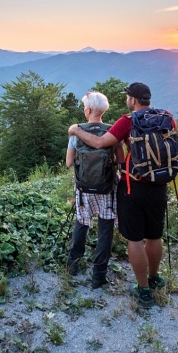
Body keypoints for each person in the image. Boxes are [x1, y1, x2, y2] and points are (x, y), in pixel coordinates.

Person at [68, 82, 171, 308]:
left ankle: (143, 290)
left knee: (134, 239)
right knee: (154, 236)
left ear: (133, 100)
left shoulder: (127, 121)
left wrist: (75, 130)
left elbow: (99, 142)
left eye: (127, 97)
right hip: (160, 184)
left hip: (132, 187)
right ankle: (154, 278)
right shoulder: (167, 117)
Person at [65, 91, 125, 289]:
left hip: (83, 189)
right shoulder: (112, 132)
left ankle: (73, 265)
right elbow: (120, 160)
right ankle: (98, 275)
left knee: (82, 223)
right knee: (105, 228)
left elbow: (68, 163)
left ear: (88, 110)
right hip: (107, 188)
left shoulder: (77, 131)